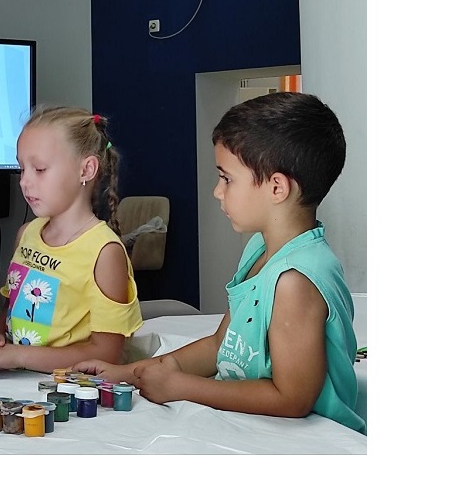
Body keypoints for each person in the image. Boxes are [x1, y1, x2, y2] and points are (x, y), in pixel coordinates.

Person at [76, 92, 364, 432]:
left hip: (314, 441)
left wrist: (182, 387)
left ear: (277, 188)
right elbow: (219, 345)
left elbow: (291, 399)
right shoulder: (259, 249)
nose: (217, 191)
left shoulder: (294, 280)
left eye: (227, 178)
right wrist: (129, 373)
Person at [0, 106, 143, 377]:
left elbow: (107, 353)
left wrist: (17, 355)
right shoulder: (27, 234)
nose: (24, 182)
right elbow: (13, 305)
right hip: (19, 384)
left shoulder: (105, 252)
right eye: (22, 169)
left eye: (40, 169)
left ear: (86, 169)